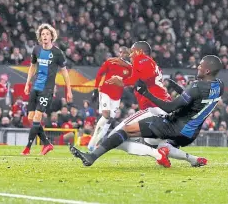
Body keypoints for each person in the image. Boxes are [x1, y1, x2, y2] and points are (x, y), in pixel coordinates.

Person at [71, 55, 223, 167]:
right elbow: (196, 100)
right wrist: (178, 89)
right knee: (162, 146)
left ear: (207, 70)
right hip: (190, 134)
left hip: (174, 126)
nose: (198, 67)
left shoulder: (196, 87)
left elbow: (170, 107)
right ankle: (193, 159)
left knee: (125, 131)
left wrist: (146, 93)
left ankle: (91, 157)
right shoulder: (219, 86)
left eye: (201, 66)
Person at [21, 23, 73, 156]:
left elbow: (65, 73)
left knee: (37, 117)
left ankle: (27, 148)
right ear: (40, 37)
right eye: (42, 34)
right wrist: (27, 83)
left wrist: (69, 90)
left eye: (47, 34)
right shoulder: (36, 50)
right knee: (31, 118)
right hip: (35, 87)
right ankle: (47, 144)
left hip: (47, 89)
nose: (44, 36)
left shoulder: (57, 53)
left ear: (51, 37)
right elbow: (32, 67)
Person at [87, 47, 132, 152]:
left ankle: (95, 143)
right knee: (106, 114)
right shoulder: (110, 61)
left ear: (128, 55)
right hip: (105, 91)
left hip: (117, 96)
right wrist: (95, 89)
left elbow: (131, 81)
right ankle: (93, 141)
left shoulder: (130, 68)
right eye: (121, 52)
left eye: (125, 53)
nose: (122, 54)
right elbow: (99, 74)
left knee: (109, 119)